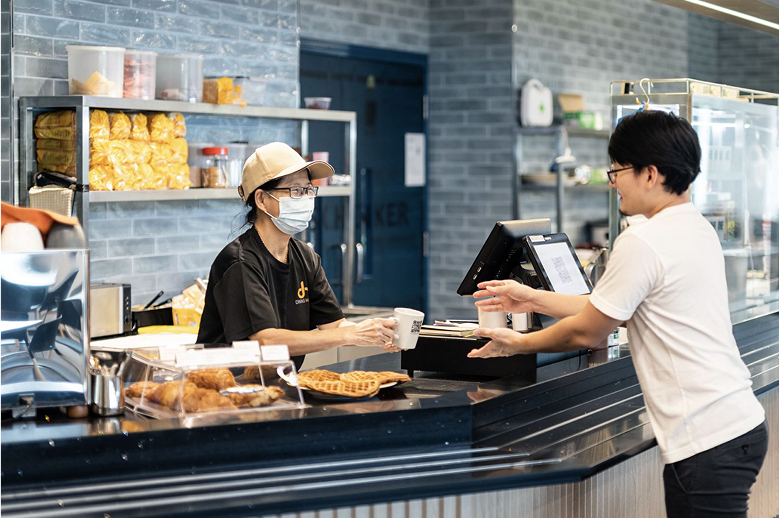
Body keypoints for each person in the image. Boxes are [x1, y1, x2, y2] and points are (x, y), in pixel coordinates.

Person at [468, 110, 768, 518]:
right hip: (738, 421)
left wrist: (517, 344)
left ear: (650, 174)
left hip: (706, 438)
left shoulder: (643, 239)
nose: (613, 184)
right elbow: (618, 310)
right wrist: (533, 299)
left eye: (617, 171)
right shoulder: (695, 227)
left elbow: (586, 332)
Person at [196, 142, 397, 369]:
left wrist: (375, 332)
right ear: (261, 199)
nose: (306, 199)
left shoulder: (305, 257)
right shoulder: (240, 261)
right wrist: (349, 335)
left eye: (309, 190)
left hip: (278, 383)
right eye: (295, 190)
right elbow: (265, 341)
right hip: (228, 386)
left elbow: (333, 327)